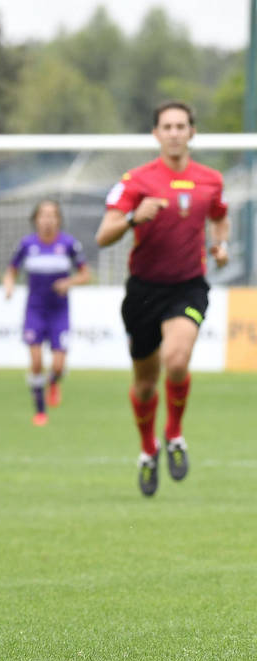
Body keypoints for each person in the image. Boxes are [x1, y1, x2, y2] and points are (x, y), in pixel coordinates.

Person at [95, 100, 229, 497]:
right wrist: (134, 217)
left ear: (192, 132)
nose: (174, 133)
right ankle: (147, 448)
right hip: (143, 291)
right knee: (145, 385)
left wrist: (220, 244)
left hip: (188, 286)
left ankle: (173, 434)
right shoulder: (135, 181)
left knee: (176, 359)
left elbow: (220, 215)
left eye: (180, 126)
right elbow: (104, 235)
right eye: (166, 127)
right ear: (156, 134)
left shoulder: (210, 180)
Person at [4, 199, 91, 426]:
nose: (48, 219)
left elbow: (85, 275)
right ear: (36, 219)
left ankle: (54, 381)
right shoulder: (27, 244)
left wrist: (68, 282)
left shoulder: (69, 244)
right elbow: (11, 271)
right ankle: (40, 411)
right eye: (43, 215)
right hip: (35, 310)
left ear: (58, 219)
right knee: (35, 362)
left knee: (59, 365)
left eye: (52, 215)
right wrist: (9, 285)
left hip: (59, 312)